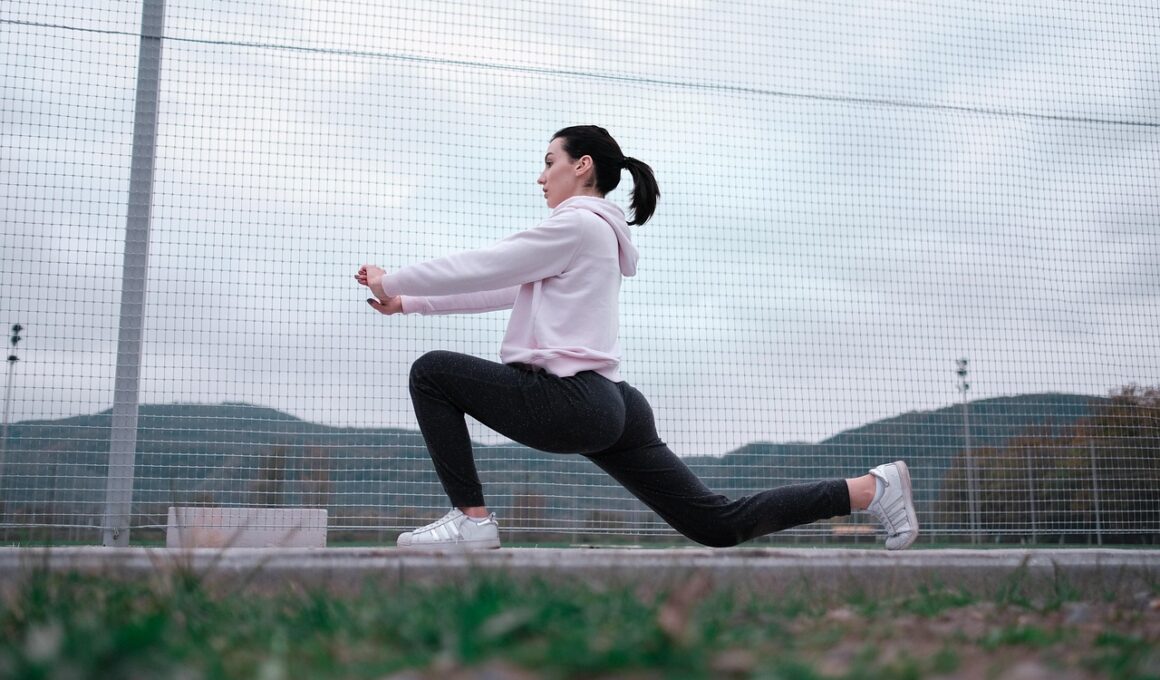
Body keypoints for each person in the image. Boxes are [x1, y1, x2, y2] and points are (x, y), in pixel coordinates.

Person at [355, 125, 918, 551]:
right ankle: (869, 490)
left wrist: (393, 279)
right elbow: (506, 287)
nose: (541, 176)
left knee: (432, 373)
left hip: (570, 400)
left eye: (549, 162)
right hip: (615, 405)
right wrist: (411, 302)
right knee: (714, 523)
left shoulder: (575, 223)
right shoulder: (594, 234)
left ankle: (472, 521)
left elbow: (488, 264)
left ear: (582, 166)